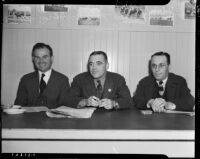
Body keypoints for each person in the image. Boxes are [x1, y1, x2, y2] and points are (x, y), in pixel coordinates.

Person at [67, 51, 132, 110]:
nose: (94, 68)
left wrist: (114, 103)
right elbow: (68, 99)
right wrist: (85, 102)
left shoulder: (117, 79)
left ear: (107, 65)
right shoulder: (79, 79)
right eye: (91, 64)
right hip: (87, 121)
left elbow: (128, 101)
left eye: (98, 63)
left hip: (111, 120)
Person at [14, 42, 70, 108]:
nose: (41, 61)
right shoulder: (25, 79)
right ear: (33, 59)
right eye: (37, 57)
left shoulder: (62, 80)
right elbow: (18, 106)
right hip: (30, 118)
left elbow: (65, 108)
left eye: (45, 57)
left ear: (51, 58)